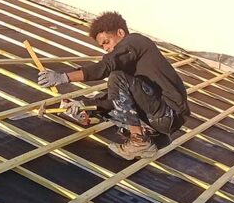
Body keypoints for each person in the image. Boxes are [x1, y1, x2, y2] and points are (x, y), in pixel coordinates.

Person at [37, 11, 188, 160]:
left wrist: (63, 77)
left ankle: (139, 141)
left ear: (120, 33)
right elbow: (117, 99)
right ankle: (152, 136)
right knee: (109, 99)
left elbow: (106, 66)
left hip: (169, 111)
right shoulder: (130, 66)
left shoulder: (135, 41)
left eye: (106, 42)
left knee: (116, 78)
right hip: (160, 119)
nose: (105, 48)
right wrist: (85, 106)